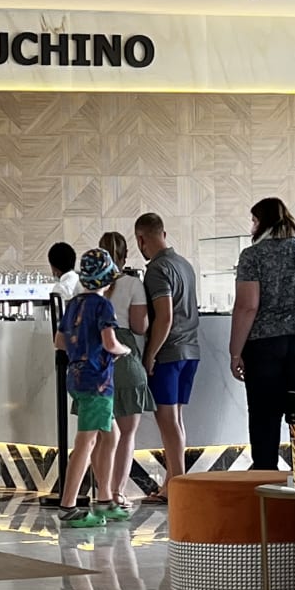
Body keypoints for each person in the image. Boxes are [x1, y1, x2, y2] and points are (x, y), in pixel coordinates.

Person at [229, 196, 295, 470]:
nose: (252, 227)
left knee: (264, 415)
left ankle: (264, 476)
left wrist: (235, 352)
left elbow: (247, 306)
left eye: (254, 221)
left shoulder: (253, 255)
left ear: (262, 222)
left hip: (264, 345)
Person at [53, 247, 131, 527]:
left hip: (76, 378)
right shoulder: (103, 306)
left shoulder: (74, 304)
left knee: (111, 434)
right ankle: (68, 506)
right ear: (108, 280)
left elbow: (59, 342)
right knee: (85, 442)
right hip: (98, 381)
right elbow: (110, 343)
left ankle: (105, 499)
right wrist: (124, 350)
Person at [135, 213, 200, 503]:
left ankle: (175, 486)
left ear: (141, 239)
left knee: (167, 421)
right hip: (191, 351)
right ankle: (173, 481)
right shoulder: (184, 264)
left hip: (169, 353)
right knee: (176, 420)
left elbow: (164, 316)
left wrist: (150, 354)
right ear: (163, 233)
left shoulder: (157, 269)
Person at [98, 231, 154, 508]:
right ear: (125, 255)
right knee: (127, 434)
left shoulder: (88, 286)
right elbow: (140, 327)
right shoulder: (133, 284)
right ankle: (118, 493)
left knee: (100, 435)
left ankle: (101, 492)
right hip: (125, 358)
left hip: (96, 362)